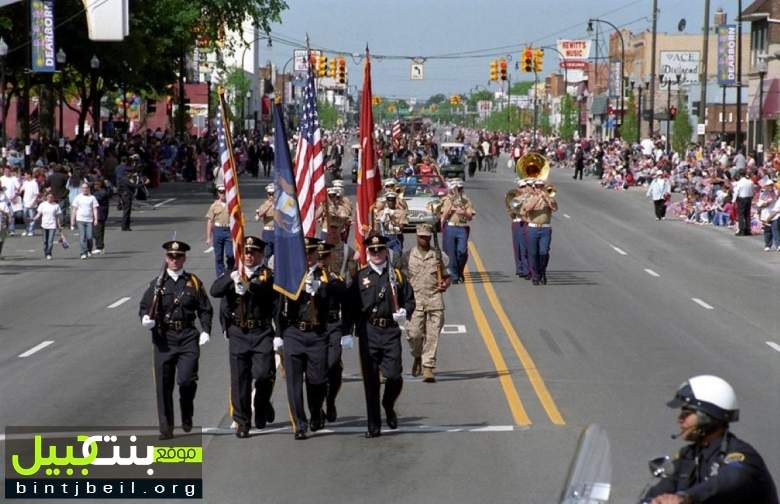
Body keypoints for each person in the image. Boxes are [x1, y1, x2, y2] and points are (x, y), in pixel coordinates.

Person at [641, 375, 778, 504]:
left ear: (707, 417)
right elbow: (665, 486)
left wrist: (685, 497)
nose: (680, 419)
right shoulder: (688, 455)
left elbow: (728, 480)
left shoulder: (741, 456)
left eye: (687, 414)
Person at [138, 241, 212, 440]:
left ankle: (186, 411)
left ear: (184, 258)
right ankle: (166, 427)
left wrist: (206, 330)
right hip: (164, 339)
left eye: (178, 256)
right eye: (171, 256)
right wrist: (145, 319)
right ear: (166, 259)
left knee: (187, 380)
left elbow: (204, 308)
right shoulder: (157, 284)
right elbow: (145, 307)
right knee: (163, 385)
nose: (174, 260)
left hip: (187, 337)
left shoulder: (193, 282)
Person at [210, 236, 277, 438]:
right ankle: (242, 421)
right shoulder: (233, 274)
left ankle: (262, 403)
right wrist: (232, 279)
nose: (248, 256)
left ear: (261, 255)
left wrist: (248, 285)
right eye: (246, 252)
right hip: (239, 332)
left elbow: (269, 294)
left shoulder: (268, 275)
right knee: (240, 379)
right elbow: (215, 291)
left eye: (253, 252)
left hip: (261, 331)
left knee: (264, 374)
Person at [351, 234, 415, 438]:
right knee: (370, 381)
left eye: (380, 249)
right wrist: (346, 332)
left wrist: (405, 312)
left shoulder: (397, 275)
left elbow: (409, 299)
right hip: (369, 332)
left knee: (395, 376)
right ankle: (373, 425)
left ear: (386, 251)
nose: (376, 253)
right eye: (372, 250)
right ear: (367, 252)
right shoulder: (360, 277)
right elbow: (351, 306)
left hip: (390, 331)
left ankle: (388, 404)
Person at [275, 237, 331, 440]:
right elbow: (279, 306)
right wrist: (278, 334)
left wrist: (320, 289)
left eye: (311, 253)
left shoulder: (325, 276)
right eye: (304, 254)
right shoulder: (289, 276)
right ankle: (299, 423)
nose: (307, 258)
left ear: (317, 254)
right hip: (294, 333)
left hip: (317, 334)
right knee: (293, 382)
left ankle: (316, 411)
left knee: (317, 380)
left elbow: (334, 300)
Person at [400, 223, 449, 382]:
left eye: (427, 237)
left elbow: (448, 276)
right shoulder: (407, 256)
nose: (424, 240)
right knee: (414, 334)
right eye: (421, 237)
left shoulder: (439, 256)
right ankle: (417, 356)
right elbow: (399, 277)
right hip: (414, 301)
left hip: (434, 300)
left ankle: (428, 367)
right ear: (416, 236)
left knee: (433, 335)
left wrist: (445, 284)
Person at [315, 241, 352, 423]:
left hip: (332, 326)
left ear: (331, 257)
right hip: (314, 328)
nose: (321, 261)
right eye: (318, 257)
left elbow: (346, 305)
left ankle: (330, 400)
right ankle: (318, 406)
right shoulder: (307, 278)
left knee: (333, 366)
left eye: (324, 257)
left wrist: (347, 332)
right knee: (317, 371)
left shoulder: (336, 279)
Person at [440, 178, 476, 284]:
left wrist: (464, 212)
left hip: (462, 227)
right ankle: (454, 277)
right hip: (450, 226)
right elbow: (443, 216)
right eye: (456, 188)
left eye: (460, 188)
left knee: (462, 252)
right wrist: (451, 207)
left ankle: (459, 271)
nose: (458, 190)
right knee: (451, 253)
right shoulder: (446, 200)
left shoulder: (466, 200)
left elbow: (470, 217)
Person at [522, 179, 558, 285]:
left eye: (541, 186)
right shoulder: (530, 198)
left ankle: (542, 271)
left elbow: (555, 208)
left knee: (544, 252)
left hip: (545, 228)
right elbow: (526, 208)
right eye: (537, 186)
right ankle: (535, 275)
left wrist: (547, 199)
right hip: (533, 227)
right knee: (533, 253)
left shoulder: (549, 198)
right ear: (534, 188)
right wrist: (537, 199)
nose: (539, 188)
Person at [205, 185, 235, 277]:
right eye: (221, 192)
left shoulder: (232, 204)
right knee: (218, 256)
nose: (223, 194)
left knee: (230, 254)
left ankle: (230, 273)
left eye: (224, 192)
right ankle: (220, 276)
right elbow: (210, 221)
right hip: (218, 231)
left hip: (229, 231)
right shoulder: (214, 206)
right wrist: (208, 237)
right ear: (218, 193)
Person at [506, 179, 531, 279]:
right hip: (518, 222)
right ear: (518, 188)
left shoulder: (532, 197)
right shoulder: (515, 197)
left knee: (526, 247)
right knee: (519, 247)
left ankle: (526, 269)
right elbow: (512, 211)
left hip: (530, 223)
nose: (525, 188)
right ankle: (521, 268)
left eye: (526, 186)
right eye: (522, 187)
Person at [70, 182, 99, 260]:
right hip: (80, 220)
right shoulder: (78, 197)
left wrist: (96, 219)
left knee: (89, 237)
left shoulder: (92, 197)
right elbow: (74, 210)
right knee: (83, 237)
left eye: (86, 188)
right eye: (83, 188)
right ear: (81, 189)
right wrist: (72, 221)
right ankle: (83, 253)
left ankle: (89, 250)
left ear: (88, 189)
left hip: (89, 220)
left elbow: (95, 209)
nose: (85, 189)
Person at [32, 191, 62, 260]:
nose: (50, 198)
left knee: (50, 241)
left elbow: (57, 217)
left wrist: (59, 225)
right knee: (45, 241)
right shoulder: (42, 205)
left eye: (51, 197)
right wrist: (34, 219)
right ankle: (46, 252)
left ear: (53, 198)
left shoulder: (56, 205)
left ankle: (49, 253)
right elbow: (39, 214)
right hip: (44, 225)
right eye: (49, 197)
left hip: (52, 225)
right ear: (46, 197)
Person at [254, 183, 275, 259]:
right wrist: (269, 206)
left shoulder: (281, 205)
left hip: (278, 231)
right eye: (270, 194)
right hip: (268, 232)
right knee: (267, 254)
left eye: (273, 194)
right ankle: (267, 270)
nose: (272, 196)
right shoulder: (264, 205)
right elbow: (258, 216)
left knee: (279, 255)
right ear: (267, 195)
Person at [91, 179, 111, 254]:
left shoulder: (102, 192)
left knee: (97, 231)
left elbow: (95, 200)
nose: (94, 186)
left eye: (96, 184)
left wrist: (89, 195)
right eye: (94, 184)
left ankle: (99, 247)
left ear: (100, 185)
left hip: (100, 214)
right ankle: (100, 247)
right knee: (98, 231)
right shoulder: (98, 192)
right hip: (99, 214)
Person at [0, 165, 22, 236]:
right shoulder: (1, 178)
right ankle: (3, 230)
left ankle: (11, 230)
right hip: (3, 200)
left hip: (11, 200)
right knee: (2, 216)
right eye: (5, 171)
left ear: (10, 171)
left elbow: (19, 188)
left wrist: (15, 197)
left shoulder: (14, 179)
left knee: (11, 216)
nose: (6, 172)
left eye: (8, 171)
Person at [732, 170, 754, 236]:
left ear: (740, 175)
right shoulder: (750, 182)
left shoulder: (739, 182)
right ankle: (748, 229)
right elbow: (752, 190)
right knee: (747, 214)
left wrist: (733, 201)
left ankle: (741, 230)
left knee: (741, 215)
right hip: (749, 198)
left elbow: (736, 192)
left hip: (742, 198)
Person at [20, 171, 40, 236]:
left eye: (25, 175)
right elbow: (21, 189)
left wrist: (33, 203)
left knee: (32, 218)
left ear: (29, 175)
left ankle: (31, 231)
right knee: (24, 217)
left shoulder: (34, 183)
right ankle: (26, 230)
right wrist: (18, 191)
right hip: (25, 202)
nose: (24, 176)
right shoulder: (25, 182)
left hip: (32, 203)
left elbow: (37, 194)